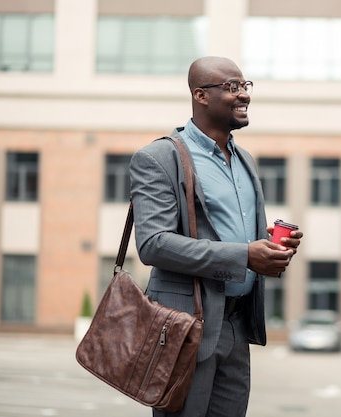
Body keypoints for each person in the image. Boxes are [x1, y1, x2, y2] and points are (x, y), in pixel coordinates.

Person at [130, 56, 303, 417]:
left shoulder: (245, 161)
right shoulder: (160, 157)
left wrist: (268, 249)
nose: (243, 95)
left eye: (244, 86)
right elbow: (153, 243)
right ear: (200, 95)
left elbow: (235, 235)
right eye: (231, 87)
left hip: (237, 326)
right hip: (187, 327)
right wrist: (244, 256)